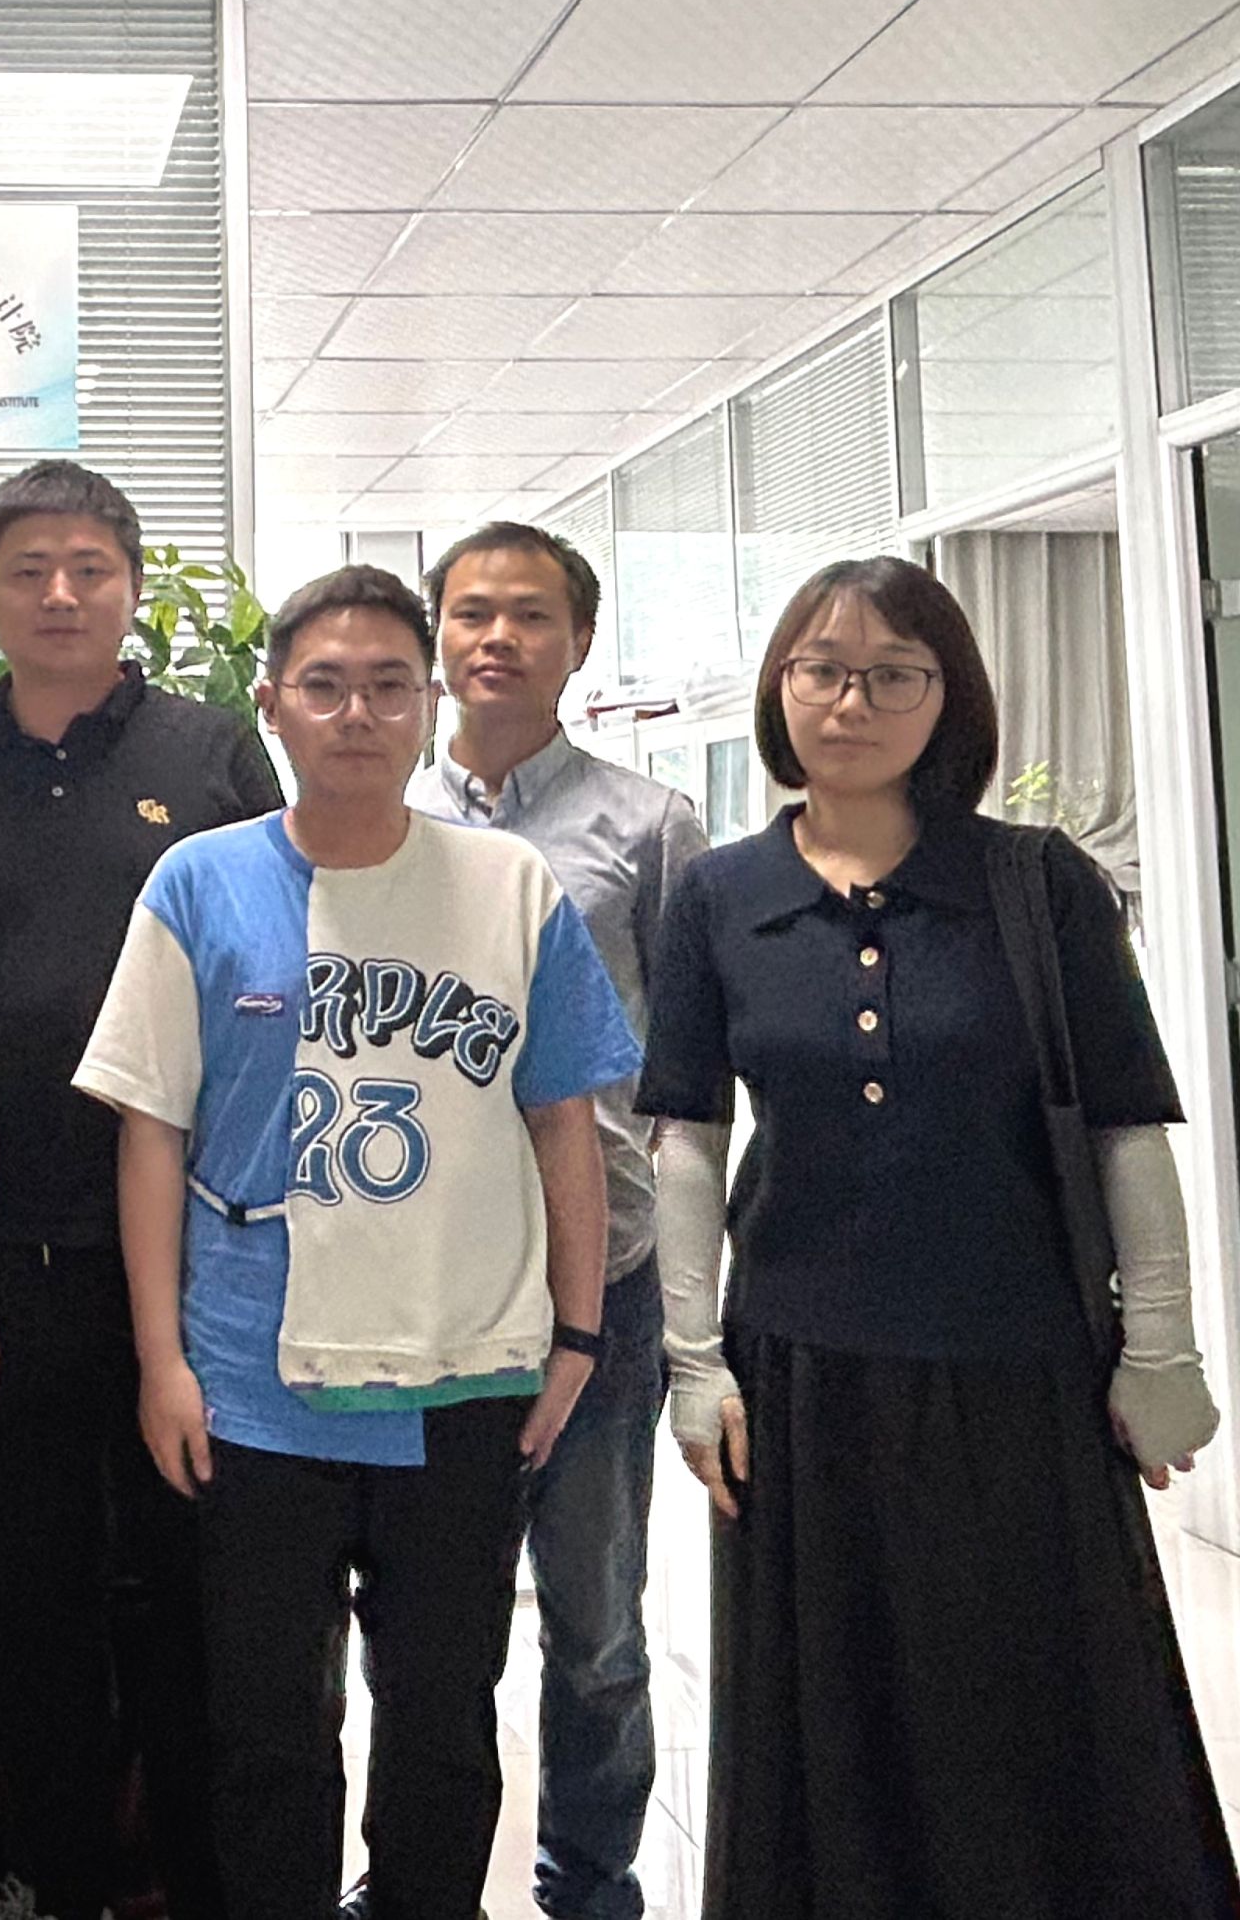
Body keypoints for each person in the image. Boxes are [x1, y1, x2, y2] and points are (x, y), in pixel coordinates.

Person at [637, 554, 1240, 1920]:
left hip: (1021, 1368)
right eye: (822, 669)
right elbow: (689, 1138)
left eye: (893, 674)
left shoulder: (1036, 883)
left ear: (948, 696)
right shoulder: (719, 896)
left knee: (1035, 1697)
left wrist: (1162, 1346)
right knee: (831, 1715)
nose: (852, 701)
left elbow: (1127, 1129)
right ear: (779, 689)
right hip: (802, 1381)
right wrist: (693, 1361)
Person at [74, 564, 642, 1920]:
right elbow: (150, 1133)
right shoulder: (199, 881)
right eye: (324, 686)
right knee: (269, 1726)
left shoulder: (508, 886)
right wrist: (162, 1361)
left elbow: (564, 1120)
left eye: (389, 686)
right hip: (254, 1377)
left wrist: (575, 1333)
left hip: (464, 1371)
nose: (357, 714)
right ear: (271, 705)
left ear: (427, 703)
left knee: (444, 1716)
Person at [0, 460, 278, 1920]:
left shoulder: (213, 748)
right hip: (8, 1256)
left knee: (199, 1588)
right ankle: (59, 1874)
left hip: (200, 1256)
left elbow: (287, 957)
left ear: (132, 584)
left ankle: (194, 1877)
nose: (60, 594)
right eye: (28, 570)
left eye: (89, 567)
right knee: (32, 1598)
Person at [403, 523, 707, 1920]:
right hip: (427, 1281)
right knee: (427, 1627)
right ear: (437, 639)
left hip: (608, 1279)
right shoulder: (377, 812)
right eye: (472, 612)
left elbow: (693, 1075)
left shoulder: (649, 827)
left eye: (531, 615)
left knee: (593, 1625)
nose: (499, 639)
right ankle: (416, 1880)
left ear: (578, 642)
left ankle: (591, 1884)